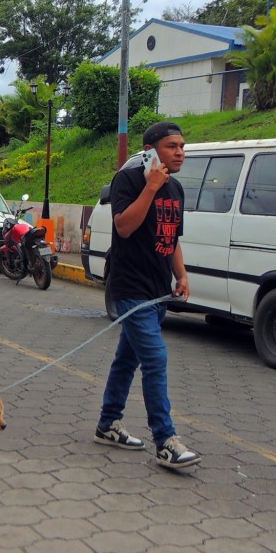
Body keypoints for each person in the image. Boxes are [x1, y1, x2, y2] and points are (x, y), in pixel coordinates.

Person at [95, 121, 201, 470]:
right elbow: (124, 226)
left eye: (182, 146)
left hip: (158, 290)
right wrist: (151, 187)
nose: (180, 152)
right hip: (130, 288)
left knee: (127, 359)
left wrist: (181, 275)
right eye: (172, 146)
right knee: (155, 358)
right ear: (150, 151)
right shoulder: (127, 180)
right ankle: (165, 441)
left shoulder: (177, 189)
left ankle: (108, 423)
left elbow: (171, 238)